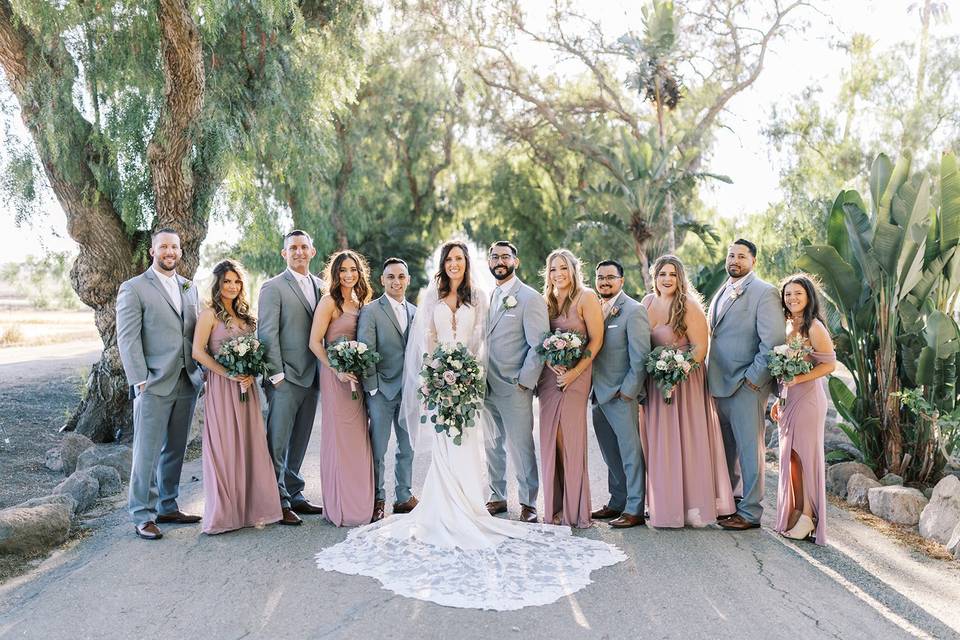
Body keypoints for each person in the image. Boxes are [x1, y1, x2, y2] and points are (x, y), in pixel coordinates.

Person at [314, 240, 625, 611]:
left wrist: (484, 376)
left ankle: (505, 503)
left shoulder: (488, 297)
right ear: (443, 264)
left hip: (478, 381)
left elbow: (500, 342)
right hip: (448, 381)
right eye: (450, 259)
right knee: (458, 446)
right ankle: (458, 501)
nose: (455, 264)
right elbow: (428, 340)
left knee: (499, 444)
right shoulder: (436, 296)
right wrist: (436, 375)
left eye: (460, 258)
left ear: (470, 263)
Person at [116, 228, 204, 540]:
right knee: (147, 451)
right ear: (153, 251)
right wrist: (140, 380)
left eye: (174, 247)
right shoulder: (134, 288)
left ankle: (167, 505)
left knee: (175, 449)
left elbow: (196, 332)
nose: (169, 252)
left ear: (180, 251)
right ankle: (142, 514)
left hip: (186, 379)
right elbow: (127, 339)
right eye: (163, 246)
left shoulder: (189, 287)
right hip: (152, 382)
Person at [641, 255, 736, 528]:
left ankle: (692, 507)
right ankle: (665, 506)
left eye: (672, 274)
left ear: (680, 278)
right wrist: (658, 372)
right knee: (663, 444)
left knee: (687, 441)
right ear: (654, 277)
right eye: (662, 274)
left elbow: (700, 349)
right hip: (657, 383)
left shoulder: (690, 306)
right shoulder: (647, 304)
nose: (667, 279)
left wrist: (676, 369)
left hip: (686, 383)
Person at [191, 260, 282, 534]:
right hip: (222, 388)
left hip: (246, 388)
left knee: (249, 443)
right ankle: (224, 514)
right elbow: (198, 352)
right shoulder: (209, 315)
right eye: (227, 281)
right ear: (218, 284)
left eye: (236, 281)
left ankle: (252, 510)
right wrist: (228, 374)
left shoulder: (246, 317)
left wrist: (249, 371)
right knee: (225, 446)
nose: (232, 286)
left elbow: (255, 351)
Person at [707, 239, 786, 531]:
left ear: (753, 261)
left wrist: (753, 381)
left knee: (750, 450)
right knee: (726, 451)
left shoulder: (764, 293)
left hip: (745, 385)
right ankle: (731, 504)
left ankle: (750, 512)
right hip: (718, 384)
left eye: (741, 256)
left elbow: (773, 343)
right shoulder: (723, 289)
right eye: (731, 255)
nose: (735, 260)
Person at [258, 230, 325, 526]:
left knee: (300, 439)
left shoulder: (323, 287)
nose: (299, 252)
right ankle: (278, 500)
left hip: (313, 378)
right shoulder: (273, 287)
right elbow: (267, 332)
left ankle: (295, 492)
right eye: (292, 248)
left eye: (303, 247)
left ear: (312, 252)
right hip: (285, 377)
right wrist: (276, 375)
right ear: (284, 254)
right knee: (278, 441)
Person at [482, 241, 549, 523]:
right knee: (492, 444)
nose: (500, 261)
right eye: (495, 257)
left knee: (521, 446)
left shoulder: (530, 298)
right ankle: (497, 496)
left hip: (514, 386)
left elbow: (539, 345)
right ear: (489, 262)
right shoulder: (488, 297)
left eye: (505, 257)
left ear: (515, 262)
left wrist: (525, 381)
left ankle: (528, 501)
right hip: (486, 385)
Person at [536, 249, 603, 527]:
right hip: (550, 378)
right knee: (552, 438)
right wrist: (551, 365)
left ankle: (574, 509)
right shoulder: (546, 301)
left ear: (573, 270)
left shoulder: (586, 297)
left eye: (563, 268)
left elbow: (596, 340)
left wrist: (574, 373)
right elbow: (540, 340)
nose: (558, 274)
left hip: (577, 376)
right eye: (553, 269)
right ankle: (554, 506)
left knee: (570, 437)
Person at [309, 250, 375, 527]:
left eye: (354, 270)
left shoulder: (362, 303)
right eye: (343, 270)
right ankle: (340, 506)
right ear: (335, 273)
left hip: (356, 377)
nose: (349, 275)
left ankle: (361, 503)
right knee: (339, 438)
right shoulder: (329, 302)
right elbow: (315, 342)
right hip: (335, 377)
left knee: (359, 439)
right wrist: (336, 369)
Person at [771, 274, 836, 543]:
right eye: (787, 294)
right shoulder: (787, 325)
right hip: (789, 398)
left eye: (797, 293)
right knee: (792, 459)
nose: (792, 298)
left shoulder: (814, 327)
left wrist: (798, 379)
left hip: (809, 398)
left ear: (808, 296)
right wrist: (780, 398)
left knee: (805, 457)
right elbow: (785, 369)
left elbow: (829, 365)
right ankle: (798, 511)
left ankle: (809, 515)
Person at [590, 259, 651, 528]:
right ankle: (617, 501)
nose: (605, 281)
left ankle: (635, 508)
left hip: (620, 395)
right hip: (597, 395)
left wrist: (628, 392)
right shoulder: (592, 308)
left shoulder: (633, 311)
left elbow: (640, 357)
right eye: (600, 277)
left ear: (621, 281)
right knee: (609, 453)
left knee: (630, 453)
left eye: (610, 277)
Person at [357, 258, 418, 522]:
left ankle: (403, 497)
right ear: (382, 280)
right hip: (382, 391)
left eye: (401, 276)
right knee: (378, 449)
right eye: (391, 277)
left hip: (409, 393)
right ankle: (377, 499)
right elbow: (366, 350)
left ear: (408, 280)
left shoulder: (416, 312)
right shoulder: (371, 311)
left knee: (408, 448)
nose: (396, 281)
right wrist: (371, 388)